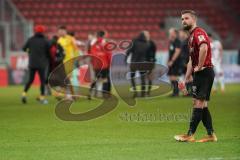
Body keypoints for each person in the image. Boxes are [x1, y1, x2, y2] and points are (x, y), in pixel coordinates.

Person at [174, 10, 217, 142]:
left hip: (204, 72)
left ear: (194, 19)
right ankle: (210, 135)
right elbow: (191, 60)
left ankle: (190, 134)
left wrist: (199, 66)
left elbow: (204, 48)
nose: (183, 21)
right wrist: (187, 76)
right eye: (182, 19)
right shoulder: (191, 37)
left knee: (198, 103)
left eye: (186, 18)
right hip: (199, 74)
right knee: (201, 104)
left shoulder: (199, 33)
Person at [21, 25, 50, 104]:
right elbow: (48, 52)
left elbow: (23, 48)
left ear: (35, 31)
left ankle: (24, 94)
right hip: (42, 64)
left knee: (30, 80)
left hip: (32, 63)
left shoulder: (30, 40)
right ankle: (42, 98)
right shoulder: (45, 40)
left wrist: (30, 51)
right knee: (42, 81)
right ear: (43, 31)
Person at [126, 31, 156, 97]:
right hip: (143, 63)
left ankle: (136, 92)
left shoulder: (134, 42)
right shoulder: (148, 43)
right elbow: (152, 54)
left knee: (132, 77)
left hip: (134, 63)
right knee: (143, 78)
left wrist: (125, 59)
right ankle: (144, 93)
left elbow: (128, 51)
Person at [88, 30, 112, 99]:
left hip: (96, 64)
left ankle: (90, 93)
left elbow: (91, 54)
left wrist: (92, 62)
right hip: (104, 64)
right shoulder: (105, 43)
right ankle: (105, 95)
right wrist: (110, 63)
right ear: (103, 35)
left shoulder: (93, 43)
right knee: (105, 79)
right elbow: (109, 54)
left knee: (96, 78)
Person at [57, 26, 78, 99]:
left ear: (65, 31)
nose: (60, 32)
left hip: (69, 61)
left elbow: (76, 49)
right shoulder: (59, 40)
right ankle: (72, 94)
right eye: (59, 31)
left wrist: (76, 59)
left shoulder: (70, 38)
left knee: (68, 78)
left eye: (61, 31)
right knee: (65, 78)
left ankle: (68, 95)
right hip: (61, 61)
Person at [167, 28, 182, 97]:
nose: (169, 33)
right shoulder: (172, 42)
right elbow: (170, 52)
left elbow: (177, 51)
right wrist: (168, 60)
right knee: (171, 77)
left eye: (171, 32)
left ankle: (176, 93)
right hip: (171, 62)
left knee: (174, 77)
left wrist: (172, 61)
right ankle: (174, 92)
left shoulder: (177, 41)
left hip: (176, 62)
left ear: (174, 33)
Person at [179, 29, 192, 96]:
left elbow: (189, 53)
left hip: (187, 62)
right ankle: (188, 92)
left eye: (180, 33)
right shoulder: (183, 41)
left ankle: (190, 92)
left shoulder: (188, 41)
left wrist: (187, 62)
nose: (180, 34)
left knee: (188, 77)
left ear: (184, 33)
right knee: (187, 77)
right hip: (184, 62)